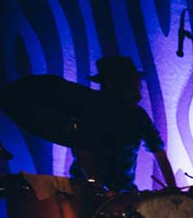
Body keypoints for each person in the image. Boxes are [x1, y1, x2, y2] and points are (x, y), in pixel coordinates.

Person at [69, 55, 176, 198]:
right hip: (86, 194)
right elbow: (85, 155)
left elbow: (159, 151)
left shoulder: (139, 116)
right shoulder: (90, 113)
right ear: (112, 87)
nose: (138, 95)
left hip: (124, 193)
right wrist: (98, 188)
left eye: (137, 87)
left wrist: (173, 189)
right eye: (132, 88)